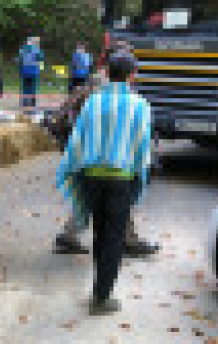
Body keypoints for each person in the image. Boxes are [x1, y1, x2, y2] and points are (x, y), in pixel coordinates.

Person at [56, 52, 153, 316]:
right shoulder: (140, 105)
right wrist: (139, 174)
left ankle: (99, 289)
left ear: (107, 73)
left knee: (100, 232)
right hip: (121, 180)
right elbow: (143, 146)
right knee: (115, 238)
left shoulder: (93, 102)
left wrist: (73, 166)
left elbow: (79, 138)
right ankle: (102, 297)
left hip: (92, 178)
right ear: (132, 75)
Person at [51, 71, 161, 257]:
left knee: (88, 197)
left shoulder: (100, 82)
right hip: (95, 152)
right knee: (111, 197)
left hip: (84, 147)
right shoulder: (106, 88)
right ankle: (125, 241)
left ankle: (69, 235)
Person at [18, 36, 44, 109]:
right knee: (33, 87)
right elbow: (41, 59)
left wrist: (20, 71)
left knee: (25, 87)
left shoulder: (23, 49)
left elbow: (20, 60)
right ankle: (32, 102)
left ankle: (25, 102)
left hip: (25, 71)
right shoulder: (37, 50)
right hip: (34, 71)